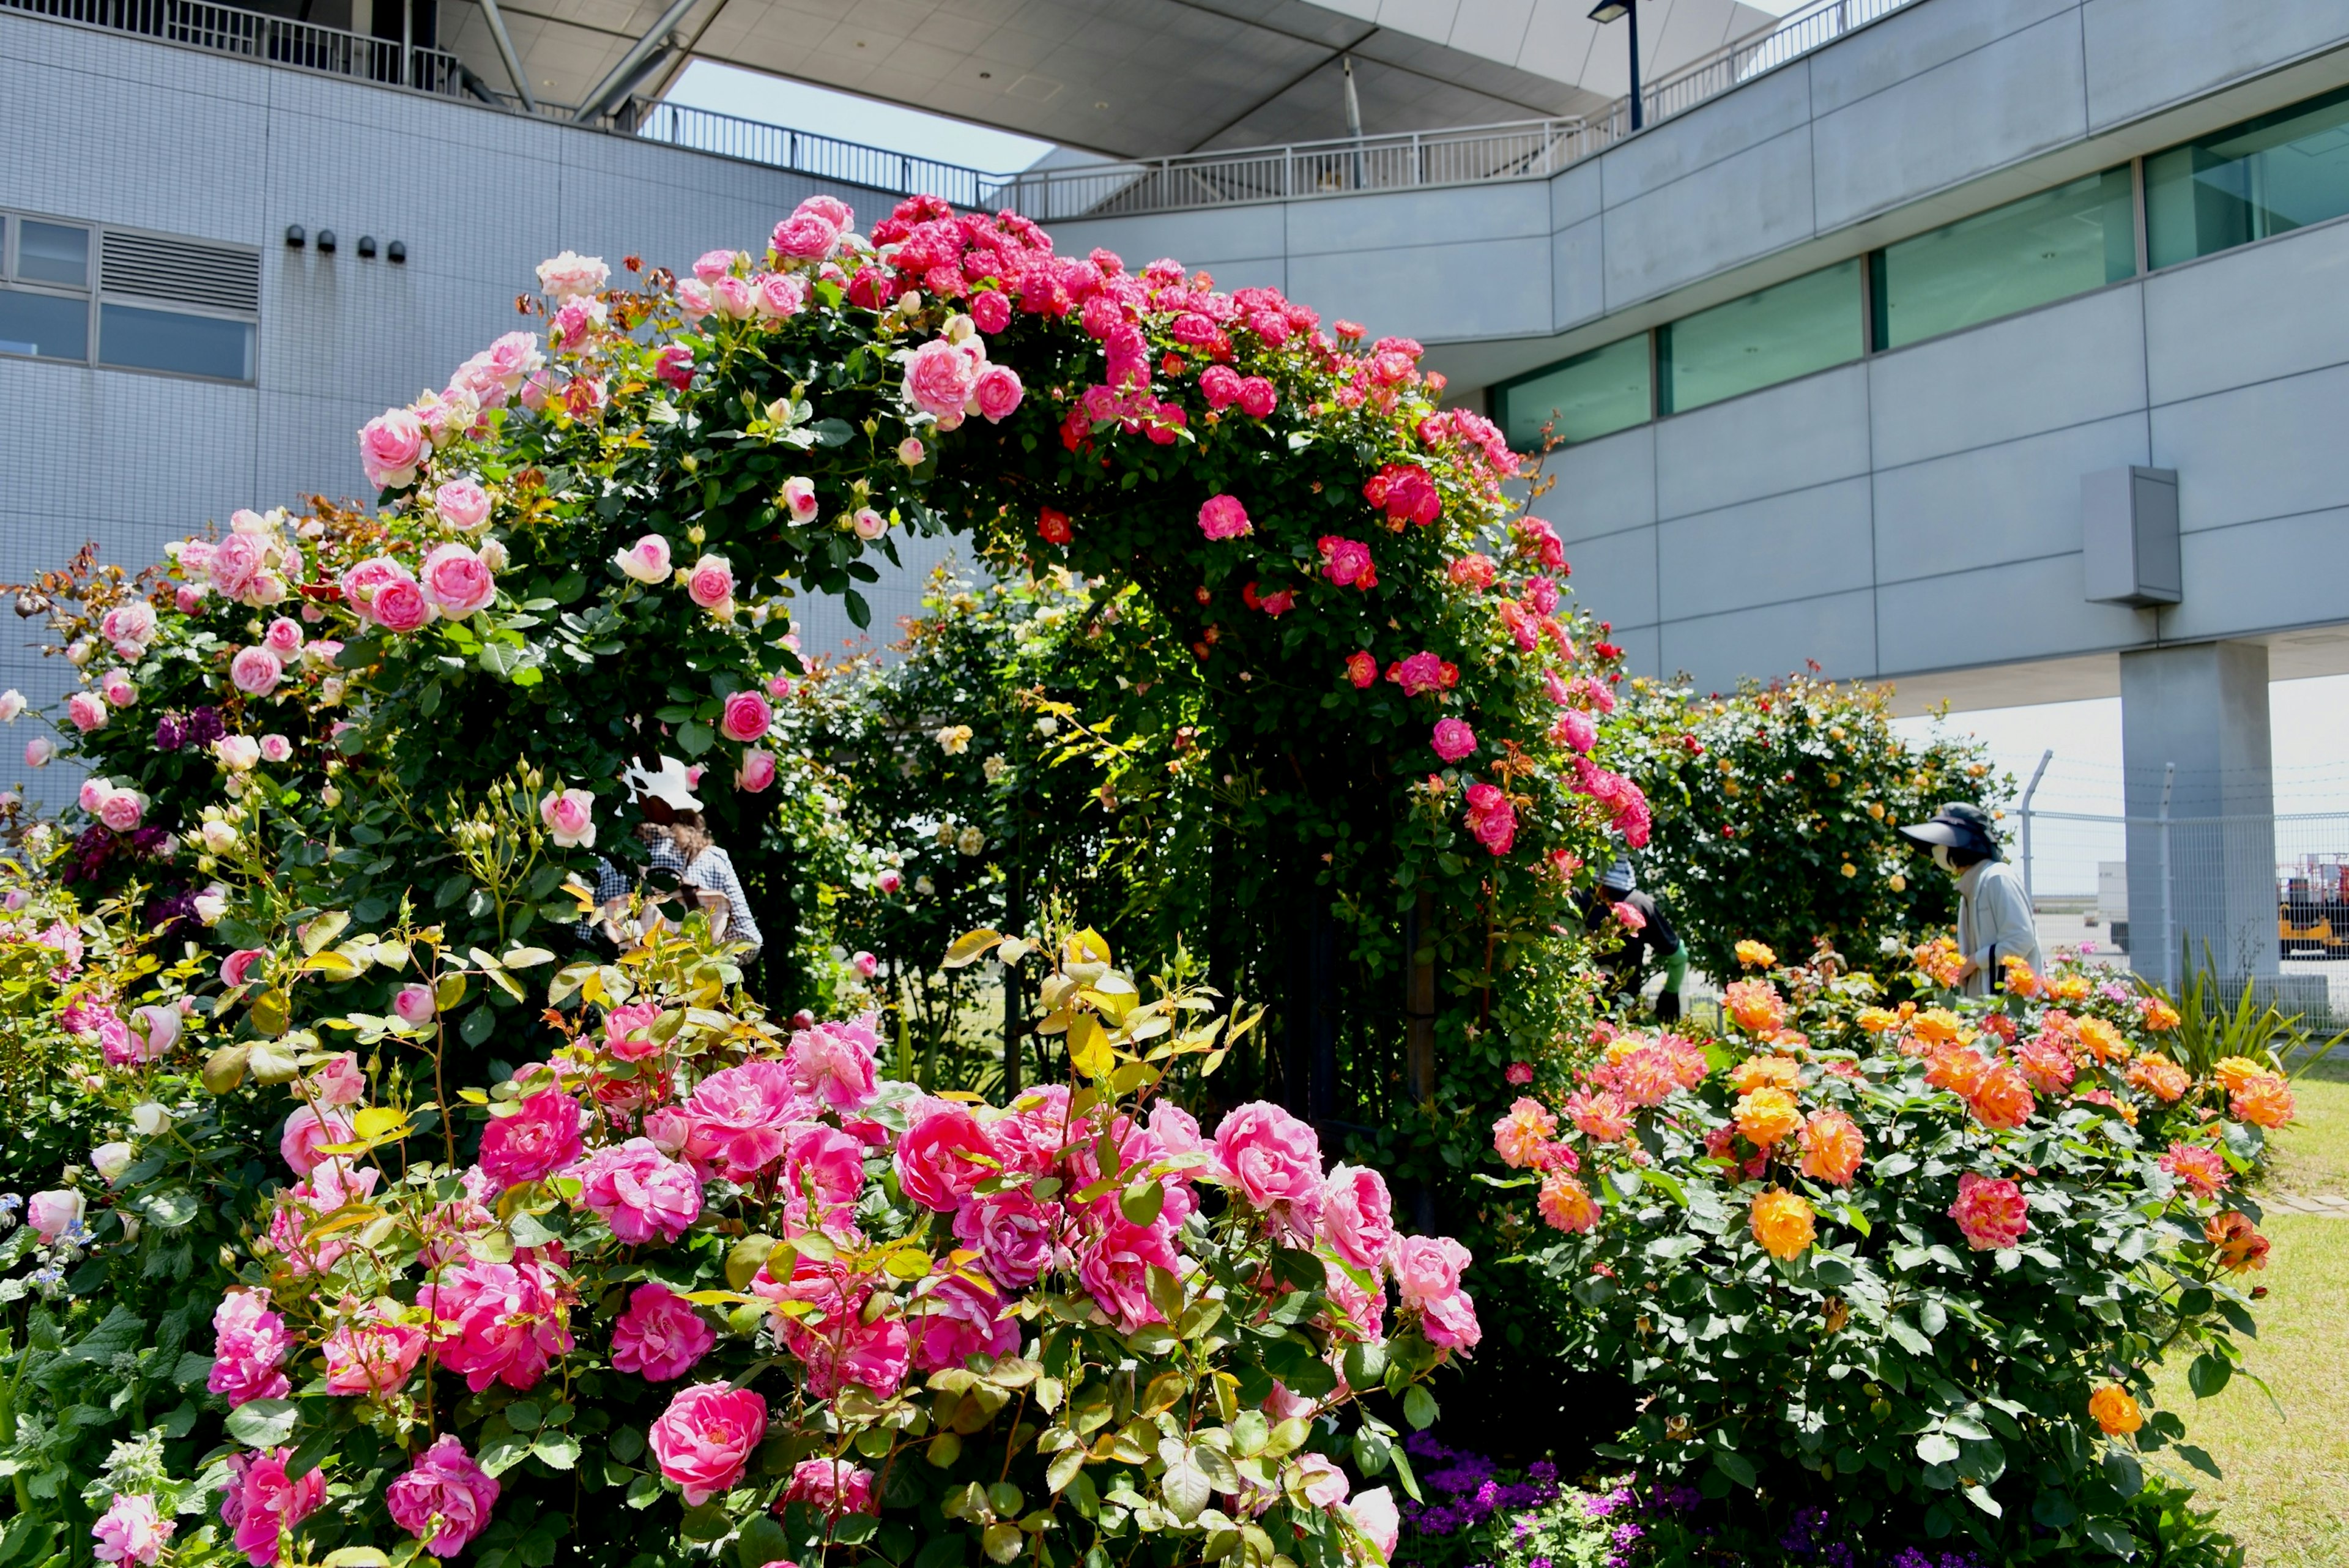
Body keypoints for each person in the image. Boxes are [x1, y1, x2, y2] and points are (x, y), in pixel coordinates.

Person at [591, 756, 763, 963]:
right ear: (685, 809)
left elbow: (584, 937)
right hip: (694, 991)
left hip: (625, 990)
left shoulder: (608, 860)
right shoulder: (713, 859)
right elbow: (749, 941)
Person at [1897, 801, 2038, 996]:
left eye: (1942, 844)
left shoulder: (1997, 877)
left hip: (2009, 1010)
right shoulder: (1974, 883)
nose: (1937, 850)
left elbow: (2020, 940)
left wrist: (1973, 962)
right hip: (1986, 1010)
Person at [1580, 858, 1687, 1022]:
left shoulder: (1577, 897)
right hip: (1624, 1014)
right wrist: (1670, 992)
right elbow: (1679, 956)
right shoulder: (1640, 904)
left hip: (1577, 1011)